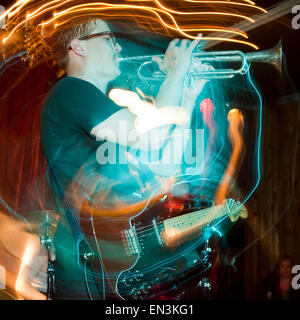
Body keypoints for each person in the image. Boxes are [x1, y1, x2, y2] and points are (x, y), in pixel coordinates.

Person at [39, 18, 211, 299]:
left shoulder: (104, 109)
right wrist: (176, 74)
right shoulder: (72, 92)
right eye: (107, 38)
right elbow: (150, 135)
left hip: (108, 255)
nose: (117, 46)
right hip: (86, 261)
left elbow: (164, 165)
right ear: (78, 48)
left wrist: (189, 98)